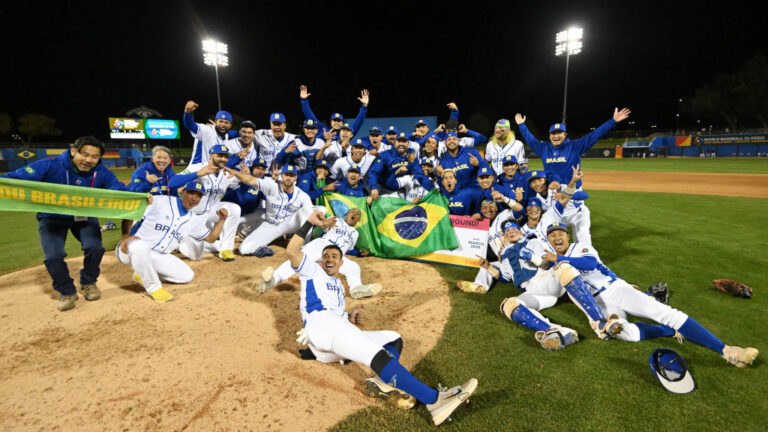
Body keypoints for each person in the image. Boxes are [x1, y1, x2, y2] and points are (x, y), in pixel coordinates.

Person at [285, 213, 478, 426]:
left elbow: (337, 319)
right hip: (320, 327)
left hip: (333, 338)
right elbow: (292, 250)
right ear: (321, 261)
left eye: (334, 257)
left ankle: (382, 381)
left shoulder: (339, 286)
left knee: (393, 338)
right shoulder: (312, 271)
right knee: (375, 354)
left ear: (341, 263)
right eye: (326, 256)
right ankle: (435, 401)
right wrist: (309, 224)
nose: (329, 259)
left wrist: (348, 316)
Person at [532, 223, 759, 367]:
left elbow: (591, 263)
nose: (557, 237)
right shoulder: (551, 263)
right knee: (623, 334)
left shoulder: (580, 247)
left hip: (615, 290)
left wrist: (559, 259)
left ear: (567, 237)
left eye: (561, 233)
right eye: (552, 236)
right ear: (548, 241)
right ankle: (672, 332)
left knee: (664, 312)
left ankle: (727, 350)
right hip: (597, 306)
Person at [3, 136, 126, 311]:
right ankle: (67, 291)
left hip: (84, 216)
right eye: (85, 154)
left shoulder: (102, 172)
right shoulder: (49, 165)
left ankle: (88, 282)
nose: (88, 160)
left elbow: (118, 189)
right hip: (52, 218)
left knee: (95, 248)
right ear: (73, 151)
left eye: (94, 157)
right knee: (53, 256)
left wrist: (140, 197)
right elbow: (14, 179)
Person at [116, 182, 228, 302]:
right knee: (141, 247)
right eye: (191, 193)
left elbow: (211, 238)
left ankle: (142, 272)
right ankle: (154, 289)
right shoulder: (160, 201)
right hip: (130, 249)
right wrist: (125, 236)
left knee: (186, 276)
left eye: (198, 196)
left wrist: (222, 220)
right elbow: (132, 210)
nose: (194, 198)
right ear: (181, 192)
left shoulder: (194, 220)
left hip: (157, 256)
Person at [257, 208, 381, 299]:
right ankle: (273, 280)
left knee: (354, 266)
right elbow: (318, 229)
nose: (355, 214)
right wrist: (324, 224)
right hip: (322, 245)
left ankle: (356, 288)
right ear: (347, 213)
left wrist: (359, 253)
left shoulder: (355, 234)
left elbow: (349, 249)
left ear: (358, 220)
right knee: (297, 259)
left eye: (358, 214)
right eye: (353, 211)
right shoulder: (335, 220)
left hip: (337, 255)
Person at [514, 107, 630, 187]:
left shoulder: (575, 146)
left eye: (559, 133)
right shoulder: (544, 148)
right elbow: (530, 139)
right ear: (549, 136)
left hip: (573, 189)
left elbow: (594, 135)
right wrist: (521, 125)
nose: (556, 136)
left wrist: (612, 121)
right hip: (553, 188)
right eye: (553, 133)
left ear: (565, 135)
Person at [169, 145, 242, 262]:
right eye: (220, 156)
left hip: (211, 212)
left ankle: (226, 249)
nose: (223, 159)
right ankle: (179, 242)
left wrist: (243, 175)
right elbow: (172, 183)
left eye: (225, 156)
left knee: (234, 208)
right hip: (192, 217)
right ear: (211, 155)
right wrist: (197, 174)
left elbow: (239, 185)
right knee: (196, 254)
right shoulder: (197, 167)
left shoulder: (227, 173)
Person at [227, 165, 318, 257]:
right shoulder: (272, 186)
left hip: (290, 223)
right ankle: (265, 245)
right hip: (271, 225)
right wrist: (235, 173)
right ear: (282, 176)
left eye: (291, 175)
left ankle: (305, 246)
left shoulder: (302, 195)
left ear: (295, 177)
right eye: (286, 175)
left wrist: (322, 223)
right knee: (244, 249)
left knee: (312, 210)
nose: (289, 178)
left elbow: (310, 214)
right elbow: (250, 180)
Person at [299, 85, 369, 136]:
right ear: (330, 122)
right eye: (334, 120)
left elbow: (358, 122)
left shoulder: (346, 134)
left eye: (339, 120)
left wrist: (364, 106)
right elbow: (310, 116)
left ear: (342, 123)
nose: (337, 122)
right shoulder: (323, 129)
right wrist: (304, 101)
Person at [182, 100, 232, 165]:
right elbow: (190, 125)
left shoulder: (226, 135)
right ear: (216, 122)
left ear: (230, 125)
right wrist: (187, 112)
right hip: (198, 168)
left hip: (213, 170)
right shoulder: (206, 130)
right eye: (221, 121)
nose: (223, 124)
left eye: (226, 122)